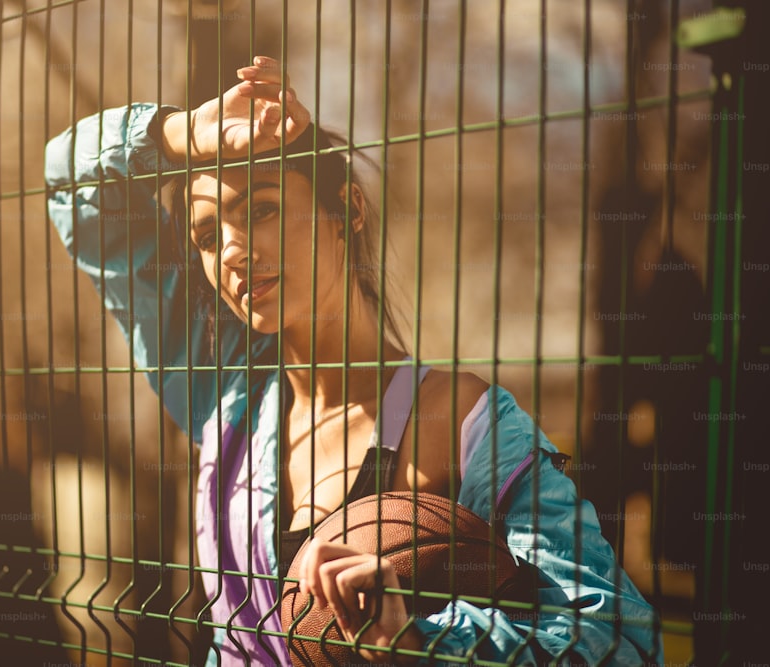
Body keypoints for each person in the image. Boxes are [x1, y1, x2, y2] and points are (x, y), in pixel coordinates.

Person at [44, 56, 663, 666]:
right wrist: (179, 135)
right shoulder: (224, 398)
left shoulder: (462, 421)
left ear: (348, 212)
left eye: (260, 211)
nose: (231, 251)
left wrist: (422, 640)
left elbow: (615, 639)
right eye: (207, 236)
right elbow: (70, 185)